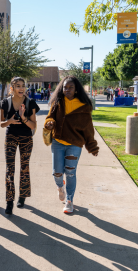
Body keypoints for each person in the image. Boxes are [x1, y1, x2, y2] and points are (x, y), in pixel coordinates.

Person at [44, 76, 99, 214]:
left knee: (70, 173)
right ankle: (59, 187)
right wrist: (49, 123)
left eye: (70, 87)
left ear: (76, 90)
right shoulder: (57, 102)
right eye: (65, 87)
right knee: (57, 173)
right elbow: (49, 117)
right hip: (58, 142)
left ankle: (69, 201)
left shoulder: (84, 106)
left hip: (75, 144)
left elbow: (88, 128)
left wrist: (92, 146)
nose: (67, 90)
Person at [0, 77, 39, 215]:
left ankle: (22, 197)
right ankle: (9, 201)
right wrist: (10, 121)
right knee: (10, 169)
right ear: (12, 88)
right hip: (10, 138)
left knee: (24, 167)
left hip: (26, 139)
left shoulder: (30, 103)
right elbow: (2, 124)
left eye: (23, 86)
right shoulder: (5, 103)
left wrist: (23, 118)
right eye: (18, 86)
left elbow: (34, 126)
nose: (21, 88)